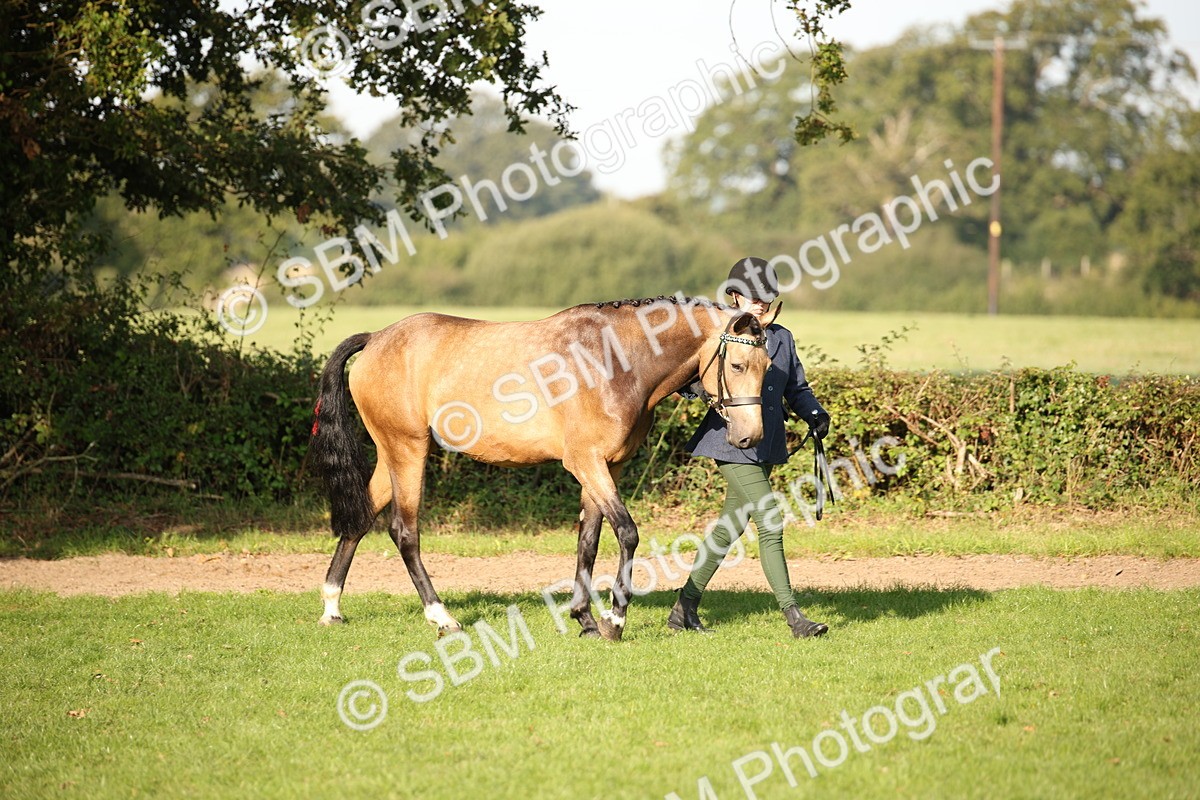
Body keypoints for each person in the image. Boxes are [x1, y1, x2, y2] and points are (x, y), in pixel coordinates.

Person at [668, 257, 831, 638]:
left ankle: (683, 608)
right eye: (754, 297)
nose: (760, 303)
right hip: (730, 442)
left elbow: (796, 387)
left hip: (767, 441)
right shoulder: (716, 334)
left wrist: (814, 413)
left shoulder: (782, 338)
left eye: (766, 297)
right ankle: (795, 618)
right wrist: (698, 389)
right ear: (735, 295)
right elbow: (683, 377)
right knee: (770, 521)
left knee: (731, 527)